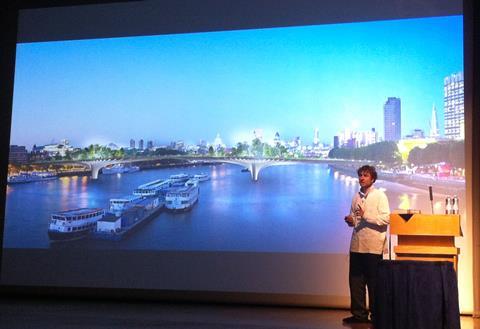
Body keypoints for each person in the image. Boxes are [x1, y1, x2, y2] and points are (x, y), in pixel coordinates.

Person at [342, 165, 390, 324]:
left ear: (373, 179)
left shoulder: (380, 196)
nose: (362, 178)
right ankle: (359, 315)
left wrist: (365, 215)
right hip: (356, 245)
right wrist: (351, 220)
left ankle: (377, 315)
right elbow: (356, 219)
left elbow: (385, 219)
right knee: (355, 282)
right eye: (360, 175)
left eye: (366, 175)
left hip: (373, 246)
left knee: (374, 283)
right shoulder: (356, 196)